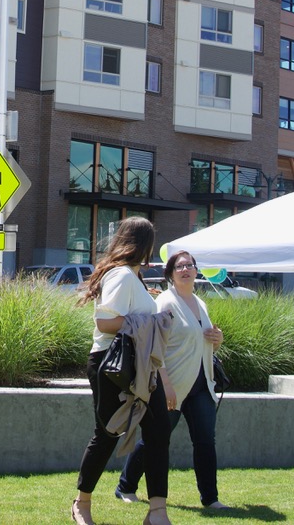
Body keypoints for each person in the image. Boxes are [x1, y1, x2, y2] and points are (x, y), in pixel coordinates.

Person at [71, 216, 172, 525]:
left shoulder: (133, 276)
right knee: (107, 434)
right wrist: (152, 321)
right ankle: (81, 503)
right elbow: (105, 322)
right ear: (144, 244)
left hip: (140, 365)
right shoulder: (122, 275)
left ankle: (157, 511)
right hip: (113, 364)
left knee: (158, 433)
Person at [116, 250, 227, 511]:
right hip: (172, 385)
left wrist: (217, 339)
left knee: (205, 441)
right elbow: (156, 345)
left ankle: (210, 498)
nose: (186, 270)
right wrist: (164, 384)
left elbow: (199, 343)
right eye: (180, 266)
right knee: (155, 439)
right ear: (170, 273)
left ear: (196, 271)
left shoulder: (201, 304)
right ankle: (125, 486)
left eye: (190, 265)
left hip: (201, 384)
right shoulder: (165, 302)